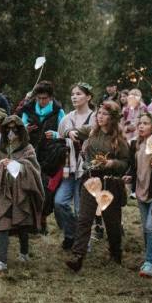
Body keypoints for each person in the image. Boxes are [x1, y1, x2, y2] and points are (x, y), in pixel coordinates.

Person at [65, 101, 130, 273]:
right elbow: (69, 131)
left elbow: (125, 163)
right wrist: (70, 132)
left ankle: (116, 253)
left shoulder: (119, 140)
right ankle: (78, 256)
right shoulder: (91, 130)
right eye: (99, 113)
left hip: (110, 182)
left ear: (113, 118)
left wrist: (111, 163)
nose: (100, 116)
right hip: (91, 180)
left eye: (105, 114)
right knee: (84, 218)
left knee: (112, 222)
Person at [0, 116, 44, 272]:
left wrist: (16, 164)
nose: (11, 133)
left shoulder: (28, 148)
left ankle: (24, 253)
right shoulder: (1, 148)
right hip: (4, 193)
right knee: (2, 224)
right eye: (8, 129)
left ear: (20, 131)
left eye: (15, 129)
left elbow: (33, 168)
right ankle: (1, 261)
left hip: (21, 193)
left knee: (22, 223)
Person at [123, 112, 152, 278]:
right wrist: (130, 176)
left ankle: (151, 262)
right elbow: (133, 166)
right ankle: (149, 257)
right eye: (140, 123)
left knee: (151, 226)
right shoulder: (135, 143)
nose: (141, 126)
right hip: (141, 191)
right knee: (146, 228)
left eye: (146, 123)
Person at [21, 80, 67, 233]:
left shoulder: (58, 111)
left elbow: (66, 133)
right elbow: (18, 131)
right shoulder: (27, 110)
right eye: (39, 98)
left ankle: (42, 218)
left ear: (51, 97)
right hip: (30, 155)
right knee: (30, 188)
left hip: (51, 157)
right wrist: (25, 130)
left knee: (47, 190)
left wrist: (56, 134)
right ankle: (33, 221)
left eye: (45, 98)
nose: (41, 101)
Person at [54, 83, 95, 250]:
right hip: (68, 168)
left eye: (78, 94)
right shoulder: (66, 118)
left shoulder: (95, 117)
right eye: (73, 94)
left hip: (87, 170)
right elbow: (60, 138)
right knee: (60, 202)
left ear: (88, 97)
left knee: (81, 209)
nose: (74, 97)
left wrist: (78, 133)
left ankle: (85, 242)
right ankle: (71, 234)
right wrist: (64, 134)